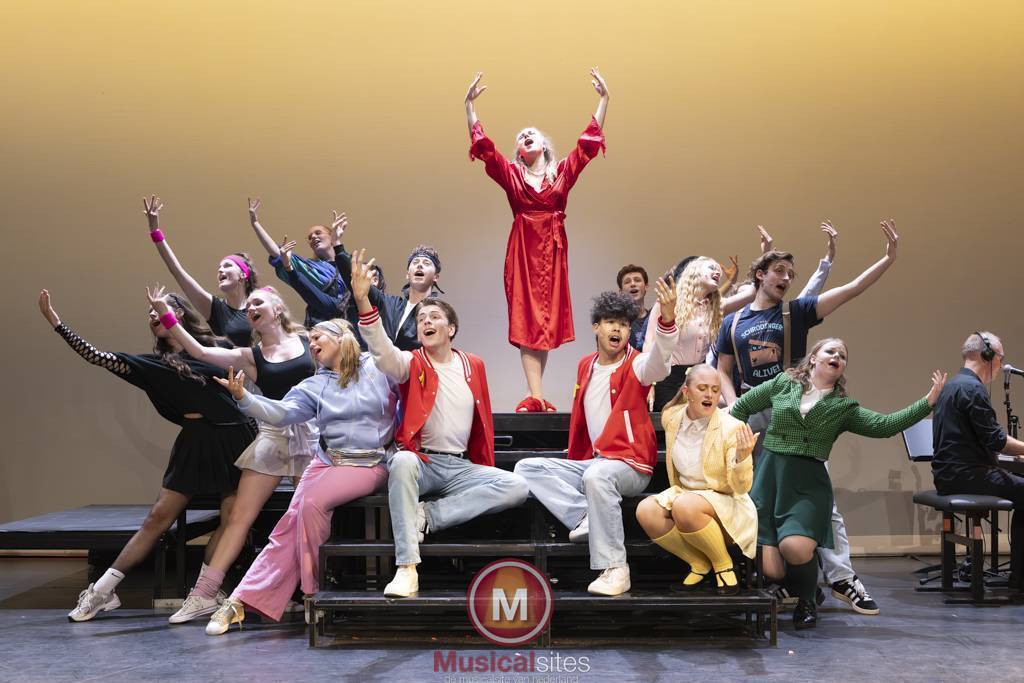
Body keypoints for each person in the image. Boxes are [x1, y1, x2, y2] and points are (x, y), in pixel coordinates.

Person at [38, 289, 255, 622]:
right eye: (149, 313)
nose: (152, 315)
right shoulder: (154, 365)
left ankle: (204, 594)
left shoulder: (216, 349)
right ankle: (102, 591)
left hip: (236, 437)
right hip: (196, 441)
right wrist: (57, 323)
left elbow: (246, 386)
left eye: (159, 310)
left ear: (179, 313)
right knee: (157, 518)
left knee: (231, 519)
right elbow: (97, 356)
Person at [731, 337, 946, 629]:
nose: (837, 357)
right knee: (772, 569)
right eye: (831, 351)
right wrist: (737, 444)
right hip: (770, 478)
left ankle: (807, 600)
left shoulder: (843, 407)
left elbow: (884, 426)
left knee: (795, 548)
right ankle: (806, 587)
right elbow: (742, 406)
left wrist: (927, 402)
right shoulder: (783, 383)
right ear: (814, 358)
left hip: (808, 485)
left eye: (842, 356)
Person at [350, 249, 530, 597]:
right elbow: (383, 352)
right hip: (424, 462)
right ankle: (406, 569)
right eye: (421, 320)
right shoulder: (411, 361)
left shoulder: (473, 364)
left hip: (460, 465)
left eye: (434, 317)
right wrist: (363, 302)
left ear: (451, 328)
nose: (426, 322)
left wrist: (437, 509)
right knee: (402, 461)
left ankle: (429, 515)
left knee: (517, 487)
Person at [205, 319, 399, 634]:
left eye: (318, 337)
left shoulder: (378, 368)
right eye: (310, 340)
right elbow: (282, 413)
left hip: (370, 463)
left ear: (341, 337)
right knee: (288, 525)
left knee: (311, 503)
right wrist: (244, 398)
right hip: (327, 462)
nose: (313, 344)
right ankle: (242, 598)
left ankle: (313, 593)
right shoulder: (314, 385)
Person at [146, 284, 317, 623]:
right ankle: (204, 594)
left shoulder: (308, 342)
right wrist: (167, 315)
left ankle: (312, 593)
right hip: (273, 435)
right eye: (248, 305)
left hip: (310, 437)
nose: (251, 308)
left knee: (306, 518)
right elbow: (199, 351)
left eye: (258, 302)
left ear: (278, 309)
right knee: (239, 516)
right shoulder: (249, 356)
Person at [515, 282, 678, 596]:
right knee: (527, 468)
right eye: (610, 322)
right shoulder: (585, 366)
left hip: (631, 464)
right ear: (596, 327)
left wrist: (667, 322)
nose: (617, 329)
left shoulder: (636, 364)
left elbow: (659, 364)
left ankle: (616, 568)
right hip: (596, 462)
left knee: (597, 476)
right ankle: (584, 514)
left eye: (624, 324)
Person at [466, 69, 609, 412]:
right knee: (526, 319)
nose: (526, 136)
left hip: (553, 250)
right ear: (519, 151)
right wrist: (469, 107)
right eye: (521, 136)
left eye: (532, 134)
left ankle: (536, 395)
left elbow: (587, 146)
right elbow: (485, 150)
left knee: (544, 322)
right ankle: (536, 395)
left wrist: (605, 100)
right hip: (523, 249)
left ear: (543, 145)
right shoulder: (512, 174)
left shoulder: (561, 173)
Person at [636, 365, 758, 594]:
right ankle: (699, 563)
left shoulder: (732, 427)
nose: (710, 395)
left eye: (715, 389)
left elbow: (741, 488)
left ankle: (724, 566)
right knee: (646, 510)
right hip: (686, 495)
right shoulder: (672, 418)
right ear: (687, 392)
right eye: (702, 388)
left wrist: (741, 458)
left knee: (685, 505)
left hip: (726, 501)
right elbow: (670, 408)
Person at [932, 332, 1024, 591]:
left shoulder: (953, 385)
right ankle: (1020, 578)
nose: (1000, 363)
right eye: (1000, 357)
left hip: (948, 474)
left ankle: (1019, 575)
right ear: (988, 355)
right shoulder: (972, 389)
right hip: (967, 475)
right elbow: (996, 440)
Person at [144, 196, 257, 347]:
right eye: (219, 267)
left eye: (227, 266)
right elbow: (177, 271)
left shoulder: (259, 305)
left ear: (243, 274)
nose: (220, 270)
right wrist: (155, 232)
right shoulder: (215, 308)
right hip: (228, 362)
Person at [334, 222, 442, 351]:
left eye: (426, 263)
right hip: (378, 362)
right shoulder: (388, 303)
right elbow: (357, 281)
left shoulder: (437, 313)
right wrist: (337, 245)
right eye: (415, 262)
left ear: (436, 277)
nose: (419, 265)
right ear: (407, 274)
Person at [247, 198, 352, 328]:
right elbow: (277, 254)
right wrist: (255, 223)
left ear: (331, 236)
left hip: (353, 322)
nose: (313, 237)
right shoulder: (309, 268)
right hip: (325, 326)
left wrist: (337, 241)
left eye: (318, 233)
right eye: (310, 237)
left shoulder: (349, 262)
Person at [617, 264, 650, 351]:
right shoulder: (616, 322)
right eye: (627, 282)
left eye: (637, 280)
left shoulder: (655, 318)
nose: (633, 284)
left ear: (646, 287)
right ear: (620, 292)